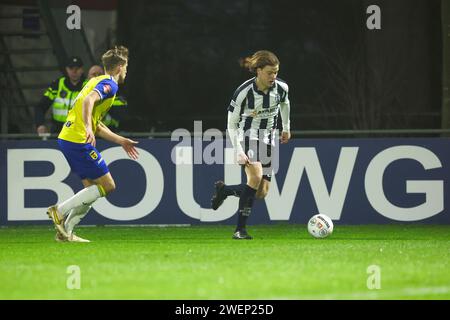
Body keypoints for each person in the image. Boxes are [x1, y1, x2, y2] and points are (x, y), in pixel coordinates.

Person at [47, 46, 139, 242]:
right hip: (77, 139)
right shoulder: (110, 84)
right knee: (108, 185)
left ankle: (66, 233)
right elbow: (89, 102)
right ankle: (59, 211)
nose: (126, 71)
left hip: (68, 137)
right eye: (126, 67)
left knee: (91, 189)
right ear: (120, 67)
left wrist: (120, 140)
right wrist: (88, 127)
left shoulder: (94, 81)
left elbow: (97, 124)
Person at [211, 50, 291, 240]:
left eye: (276, 72)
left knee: (261, 192)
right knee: (255, 176)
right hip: (248, 136)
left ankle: (226, 190)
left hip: (269, 139)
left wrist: (286, 128)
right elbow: (231, 124)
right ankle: (240, 230)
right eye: (270, 72)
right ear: (259, 71)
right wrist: (238, 150)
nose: (274, 76)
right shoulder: (243, 92)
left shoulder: (281, 88)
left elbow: (285, 104)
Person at [35, 56, 86, 134]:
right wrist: (40, 125)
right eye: (71, 68)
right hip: (58, 132)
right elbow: (41, 107)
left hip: (81, 132)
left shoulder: (89, 86)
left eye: (77, 68)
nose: (74, 71)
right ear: (66, 69)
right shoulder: (57, 85)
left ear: (82, 70)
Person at [87, 64, 128, 131]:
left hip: (110, 131)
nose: (97, 77)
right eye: (94, 74)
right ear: (88, 77)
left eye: (100, 74)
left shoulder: (114, 89)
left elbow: (122, 114)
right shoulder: (82, 91)